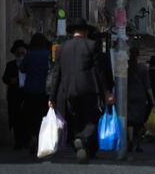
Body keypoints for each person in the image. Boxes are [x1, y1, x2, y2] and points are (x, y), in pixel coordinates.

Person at [47, 22, 115, 163]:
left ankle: (80, 145)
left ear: (72, 32)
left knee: (75, 119)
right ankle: (81, 139)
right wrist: (107, 92)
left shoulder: (62, 48)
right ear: (85, 32)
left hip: (68, 91)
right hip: (88, 89)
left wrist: (52, 96)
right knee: (91, 120)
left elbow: (56, 74)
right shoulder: (91, 45)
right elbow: (99, 72)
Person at [20, 32, 52, 149]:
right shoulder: (48, 54)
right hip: (44, 90)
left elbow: (22, 69)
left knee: (31, 114)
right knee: (43, 114)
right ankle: (41, 137)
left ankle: (32, 135)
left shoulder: (29, 55)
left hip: (30, 89)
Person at [125, 48, 154, 153]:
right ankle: (137, 144)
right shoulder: (143, 68)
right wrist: (153, 100)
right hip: (141, 97)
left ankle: (130, 139)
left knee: (130, 121)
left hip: (129, 96)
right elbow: (148, 86)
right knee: (139, 122)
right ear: (139, 55)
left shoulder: (126, 67)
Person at [2, 38, 29, 150]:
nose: (20, 53)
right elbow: (5, 78)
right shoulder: (11, 65)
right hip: (14, 95)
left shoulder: (29, 64)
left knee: (26, 118)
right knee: (15, 118)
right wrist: (10, 80)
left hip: (26, 94)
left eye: (22, 51)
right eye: (18, 51)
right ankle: (18, 141)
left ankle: (26, 141)